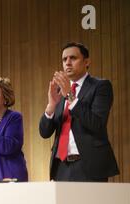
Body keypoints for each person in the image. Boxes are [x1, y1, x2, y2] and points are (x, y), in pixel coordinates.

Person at [39, 42, 119, 182]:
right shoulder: (60, 92)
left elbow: (97, 123)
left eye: (73, 58)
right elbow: (44, 133)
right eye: (64, 59)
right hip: (61, 166)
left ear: (86, 61)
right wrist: (51, 105)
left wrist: (70, 97)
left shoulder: (100, 86)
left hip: (88, 166)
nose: (68, 63)